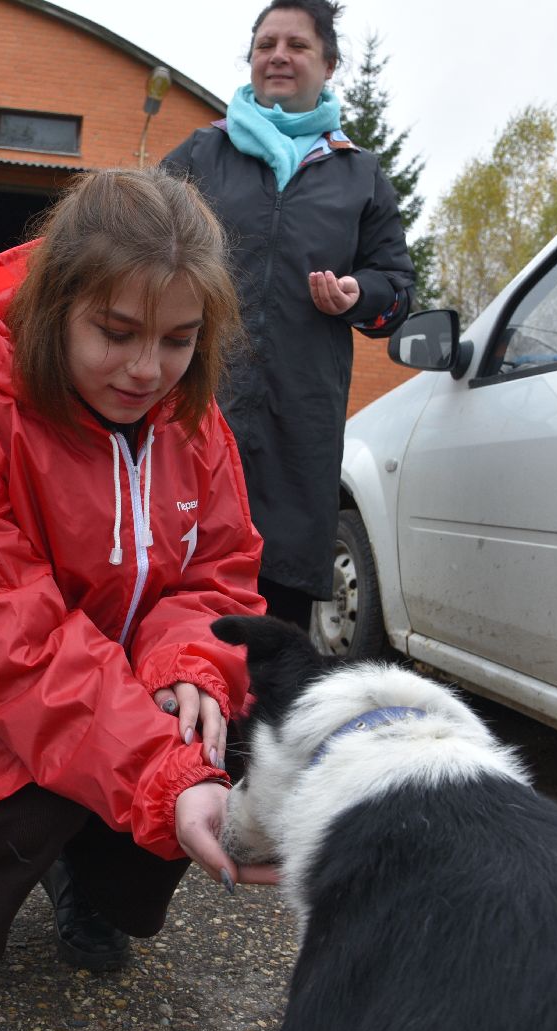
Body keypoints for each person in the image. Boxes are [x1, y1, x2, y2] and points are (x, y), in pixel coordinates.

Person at [0, 169, 275, 995]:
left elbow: (216, 579)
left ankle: (96, 880)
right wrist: (161, 772)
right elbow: (17, 646)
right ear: (55, 309)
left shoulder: (195, 423)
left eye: (178, 340)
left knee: (220, 726)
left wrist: (189, 672)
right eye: (116, 332)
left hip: (90, 675)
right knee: (45, 775)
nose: (148, 369)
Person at [163, 0, 415, 630]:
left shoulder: (360, 176)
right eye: (266, 43)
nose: (278, 55)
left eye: (297, 45)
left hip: (298, 421)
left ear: (328, 64)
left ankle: (262, 726)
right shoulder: (200, 155)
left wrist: (362, 294)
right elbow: (131, 242)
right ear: (250, 59)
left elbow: (398, 286)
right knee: (173, 573)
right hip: (193, 403)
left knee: (276, 611)